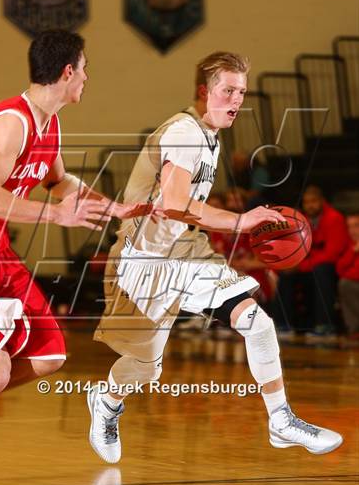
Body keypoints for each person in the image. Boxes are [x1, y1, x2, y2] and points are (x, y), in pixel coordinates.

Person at [87, 51, 343, 464]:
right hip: (142, 259)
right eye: (228, 90)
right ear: (203, 92)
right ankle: (107, 401)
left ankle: (281, 420)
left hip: (183, 250)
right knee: (145, 368)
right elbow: (172, 202)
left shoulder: (210, 135)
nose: (237, 100)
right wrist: (240, 222)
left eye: (241, 92)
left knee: (257, 323)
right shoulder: (184, 132)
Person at [0, 30, 153, 485]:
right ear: (67, 71)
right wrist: (56, 215)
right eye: (85, 68)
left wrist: (114, 209)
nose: (87, 78)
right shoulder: (10, 122)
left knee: (49, 354)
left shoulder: (48, 124)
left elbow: (59, 183)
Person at [274, 186, 349, 335]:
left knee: (322, 270)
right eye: (306, 202)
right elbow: (292, 248)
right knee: (286, 274)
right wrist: (291, 264)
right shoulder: (300, 219)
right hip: (309, 266)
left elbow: (331, 255)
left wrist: (300, 266)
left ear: (322, 201)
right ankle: (283, 324)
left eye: (313, 201)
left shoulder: (334, 218)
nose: (310, 205)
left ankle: (324, 325)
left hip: (333, 268)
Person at [337, 213, 359, 338]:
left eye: (356, 226)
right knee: (345, 284)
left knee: (346, 284)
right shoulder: (349, 245)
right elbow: (339, 269)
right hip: (352, 283)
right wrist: (353, 251)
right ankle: (354, 329)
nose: (352, 230)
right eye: (349, 227)